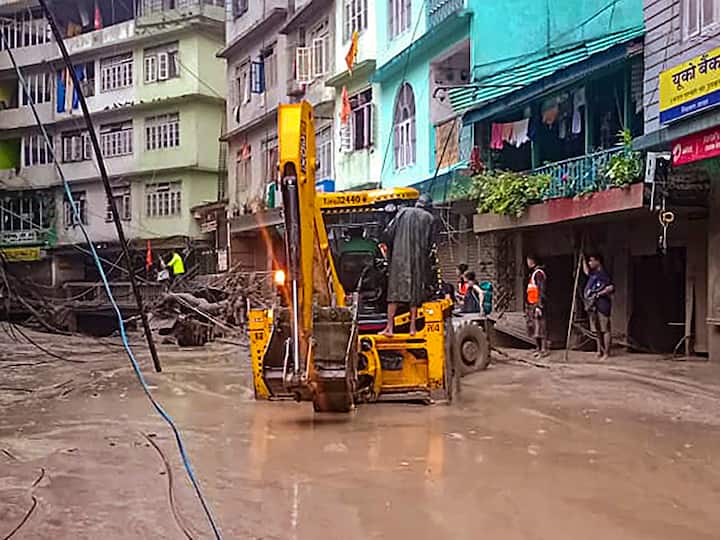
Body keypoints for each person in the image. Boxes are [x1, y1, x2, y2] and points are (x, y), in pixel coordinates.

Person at [380, 194, 437, 336]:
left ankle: (389, 328)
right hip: (418, 261)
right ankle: (412, 328)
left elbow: (388, 233)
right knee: (414, 296)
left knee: (393, 295)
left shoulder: (403, 213)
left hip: (399, 261)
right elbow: (431, 244)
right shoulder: (429, 218)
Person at [583, 253, 615, 360]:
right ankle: (599, 350)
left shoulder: (603, 274)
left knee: (605, 329)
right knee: (597, 330)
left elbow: (610, 287)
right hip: (593, 305)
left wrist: (598, 294)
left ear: (598, 261)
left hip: (602, 304)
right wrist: (582, 257)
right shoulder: (593, 273)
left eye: (591, 261)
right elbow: (586, 271)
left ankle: (606, 352)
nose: (590, 263)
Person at [526, 254, 549, 357]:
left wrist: (539, 306)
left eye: (528, 260)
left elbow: (541, 291)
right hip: (532, 303)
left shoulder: (539, 273)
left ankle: (544, 350)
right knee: (535, 327)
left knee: (541, 327)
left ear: (533, 261)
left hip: (537, 304)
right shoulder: (533, 274)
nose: (527, 263)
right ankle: (538, 348)